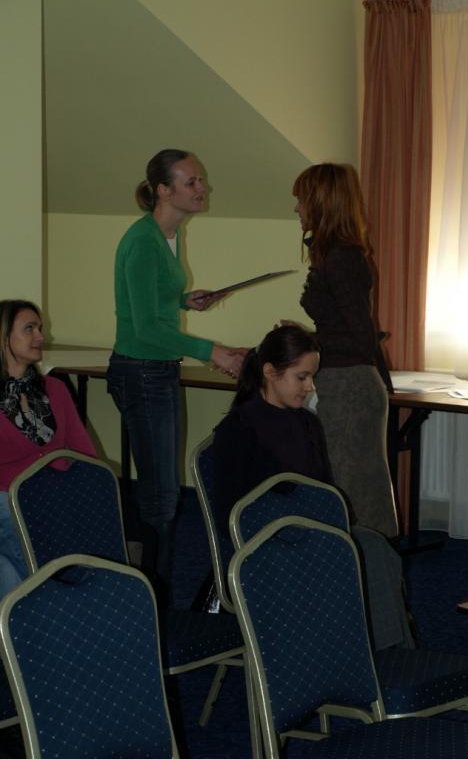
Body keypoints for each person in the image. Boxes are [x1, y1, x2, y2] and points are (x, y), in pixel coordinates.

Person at [213, 325, 414, 651]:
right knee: (362, 553)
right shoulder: (239, 429)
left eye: (312, 377)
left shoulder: (307, 423)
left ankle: (384, 654)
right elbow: (231, 514)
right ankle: (378, 655)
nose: (310, 387)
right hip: (267, 540)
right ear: (270, 372)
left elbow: (324, 489)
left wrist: (328, 519)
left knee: (375, 546)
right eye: (302, 377)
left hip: (308, 528)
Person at [106, 148, 245, 594]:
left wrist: (184, 300)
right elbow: (145, 329)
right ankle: (150, 595)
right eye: (192, 182)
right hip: (141, 371)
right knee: (161, 496)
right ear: (163, 191)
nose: (202, 187)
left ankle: (154, 588)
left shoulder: (170, 234)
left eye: (200, 180)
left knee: (163, 490)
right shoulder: (143, 241)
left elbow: (153, 305)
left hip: (157, 370)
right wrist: (212, 351)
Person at [292, 163, 399, 537]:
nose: (297, 209)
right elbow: (346, 329)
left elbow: (361, 340)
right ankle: (358, 565)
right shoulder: (336, 255)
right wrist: (309, 337)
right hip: (343, 384)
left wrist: (309, 341)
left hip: (351, 388)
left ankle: (366, 568)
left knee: (353, 495)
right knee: (350, 490)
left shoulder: (343, 259)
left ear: (320, 203)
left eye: (301, 200)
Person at [0, 299, 96, 598]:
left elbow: (85, 453)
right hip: (9, 497)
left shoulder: (54, 388)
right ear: (4, 337)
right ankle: (41, 604)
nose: (41, 336)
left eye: (40, 328)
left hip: (55, 492)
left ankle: (38, 606)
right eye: (29, 329)